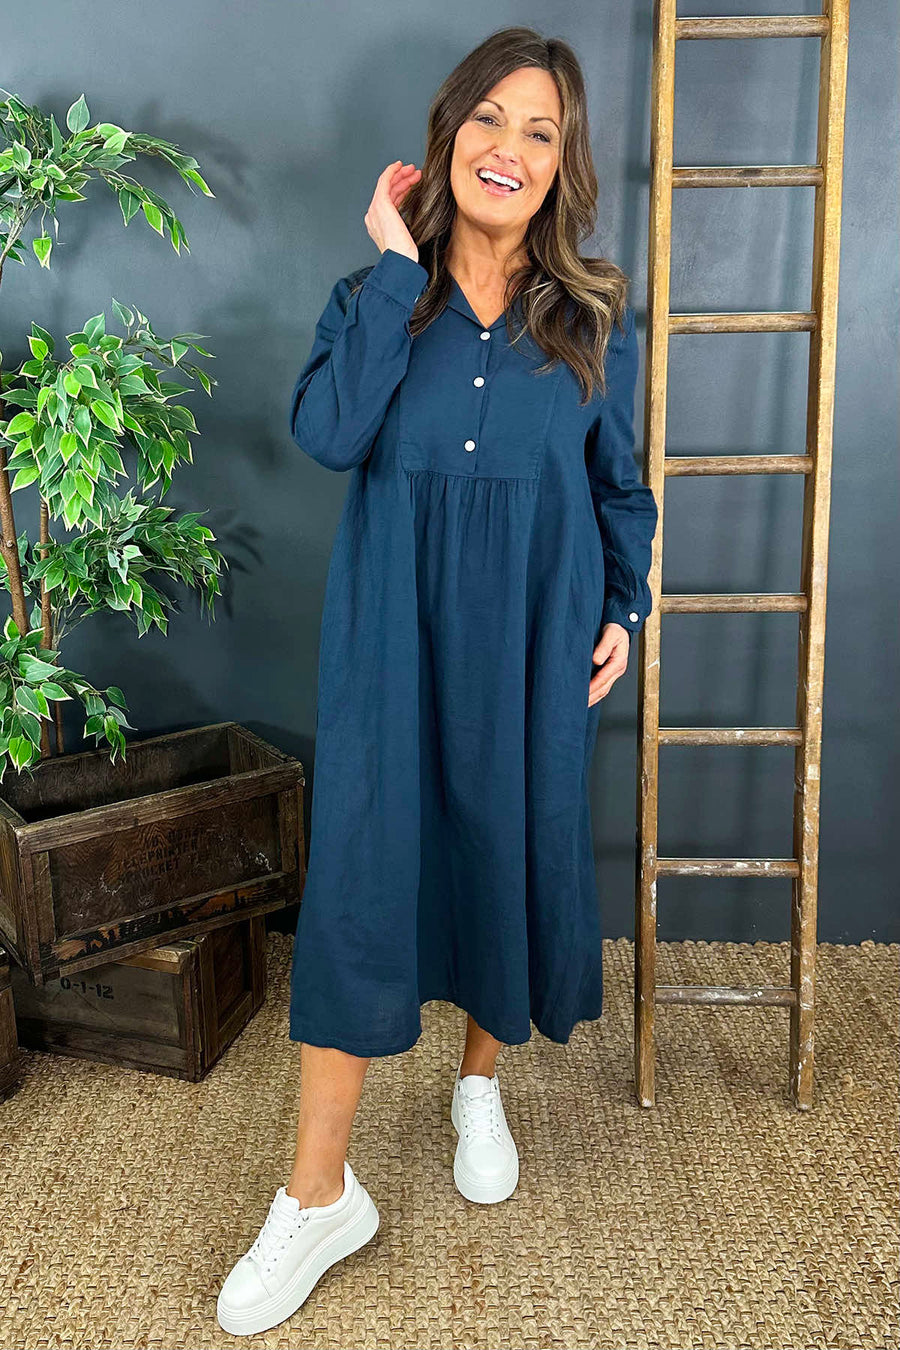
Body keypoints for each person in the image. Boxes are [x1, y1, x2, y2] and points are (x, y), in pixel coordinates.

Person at [217, 25, 658, 1337]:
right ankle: (319, 1194)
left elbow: (618, 487)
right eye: (490, 120)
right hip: (390, 640)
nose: (510, 149)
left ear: (564, 162)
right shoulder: (375, 298)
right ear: (448, 133)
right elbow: (328, 432)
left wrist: (625, 604)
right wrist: (394, 267)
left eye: (541, 131)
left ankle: (479, 1083)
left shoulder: (590, 318)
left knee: (504, 853)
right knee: (364, 876)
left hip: (533, 641)